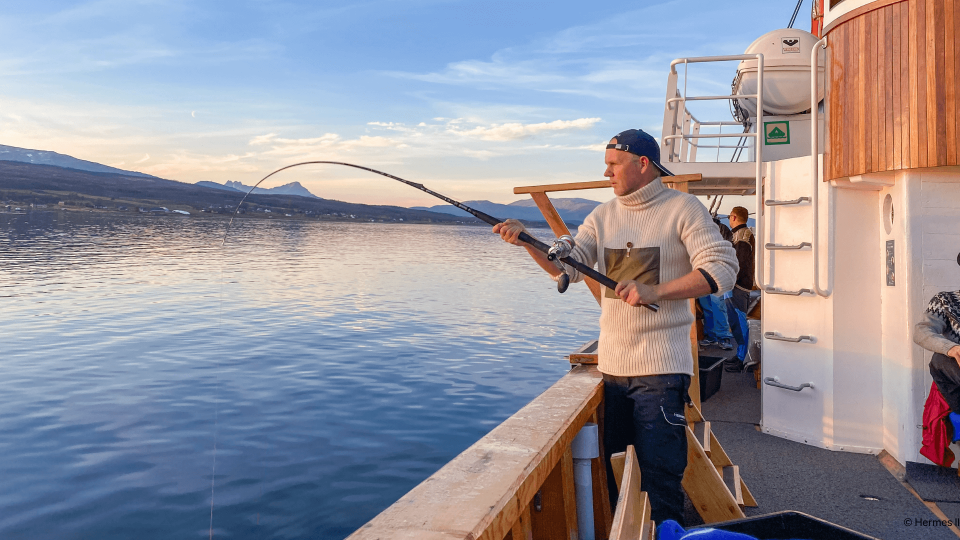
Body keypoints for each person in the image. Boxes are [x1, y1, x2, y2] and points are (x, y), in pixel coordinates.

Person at [493, 129, 738, 525]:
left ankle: (666, 534)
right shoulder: (602, 216)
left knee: (660, 475)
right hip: (612, 369)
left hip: (660, 370)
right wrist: (526, 242)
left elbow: (722, 270)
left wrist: (654, 290)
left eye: (613, 164)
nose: (606, 173)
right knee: (613, 472)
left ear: (643, 165)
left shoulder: (684, 209)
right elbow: (565, 267)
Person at [724, 206, 755, 370]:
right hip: (736, 284)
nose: (729, 219)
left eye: (729, 217)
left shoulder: (742, 236)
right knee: (735, 322)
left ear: (734, 217)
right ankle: (740, 354)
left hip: (738, 286)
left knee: (739, 322)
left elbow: (739, 263)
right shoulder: (740, 235)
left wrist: (728, 279)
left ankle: (743, 358)